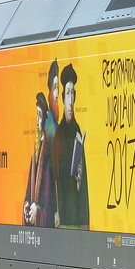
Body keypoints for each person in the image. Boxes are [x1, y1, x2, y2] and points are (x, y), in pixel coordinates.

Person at [52, 63, 88, 228]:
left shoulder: (77, 131)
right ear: (63, 98)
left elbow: (82, 182)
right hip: (63, 218)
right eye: (67, 93)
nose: (71, 99)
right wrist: (56, 212)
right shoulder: (58, 135)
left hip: (77, 216)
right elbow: (54, 179)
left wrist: (80, 180)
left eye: (73, 93)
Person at [24, 92, 55, 227]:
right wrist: (27, 203)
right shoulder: (36, 147)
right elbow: (29, 186)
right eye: (37, 115)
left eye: (40, 116)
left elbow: (48, 193)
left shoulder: (47, 149)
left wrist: (38, 209)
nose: (38, 120)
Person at [44, 61, 60, 145]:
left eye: (58, 87)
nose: (57, 93)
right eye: (54, 87)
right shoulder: (49, 123)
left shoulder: (54, 119)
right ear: (50, 93)